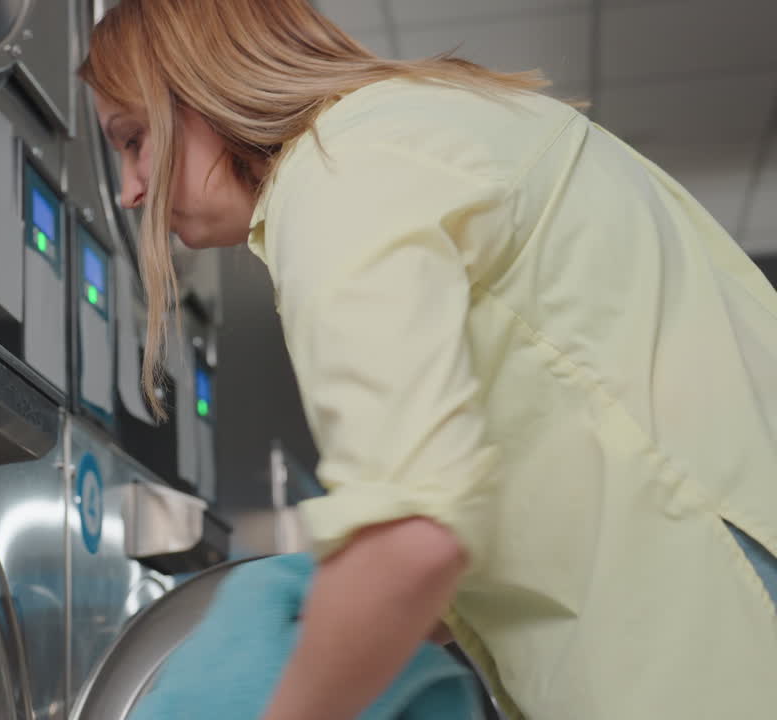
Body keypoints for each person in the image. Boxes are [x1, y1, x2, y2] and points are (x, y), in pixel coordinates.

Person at [78, 1, 777, 718]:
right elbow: (468, 527)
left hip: (713, 621)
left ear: (203, 86)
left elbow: (412, 545)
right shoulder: (422, 131)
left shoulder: (344, 174)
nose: (132, 190)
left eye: (133, 140)